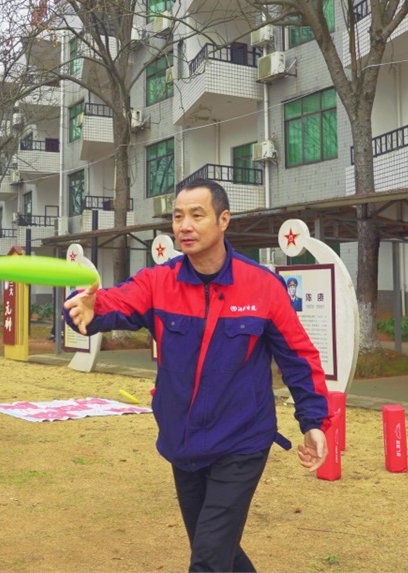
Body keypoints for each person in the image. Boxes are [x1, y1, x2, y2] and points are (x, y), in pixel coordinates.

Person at [63, 177, 330, 572]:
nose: (184, 225)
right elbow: (114, 302)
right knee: (218, 550)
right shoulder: (159, 282)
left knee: (207, 559)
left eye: (196, 215)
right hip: (183, 444)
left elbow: (298, 356)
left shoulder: (263, 286)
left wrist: (313, 421)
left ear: (224, 220)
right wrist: (87, 310)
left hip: (241, 441)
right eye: (177, 216)